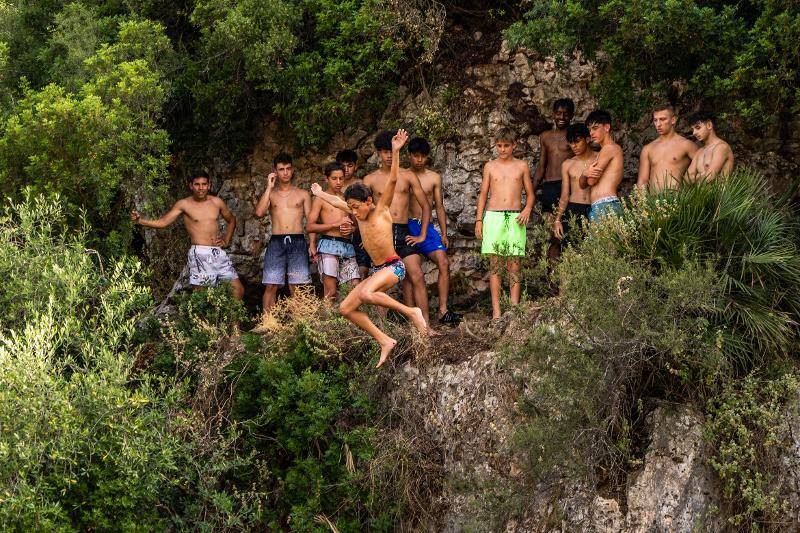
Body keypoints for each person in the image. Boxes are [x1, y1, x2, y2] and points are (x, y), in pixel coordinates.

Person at [311, 129, 429, 368]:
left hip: (394, 267)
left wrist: (396, 152)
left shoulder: (381, 209)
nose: (353, 213)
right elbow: (337, 201)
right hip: (378, 270)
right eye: (350, 208)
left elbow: (393, 180)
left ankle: (413, 311)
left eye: (356, 207)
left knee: (365, 294)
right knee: (346, 308)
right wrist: (321, 193)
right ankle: (384, 340)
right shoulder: (358, 213)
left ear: (368, 202)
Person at [131, 171, 244, 300]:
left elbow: (232, 220)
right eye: (197, 184)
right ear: (191, 186)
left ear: (209, 185)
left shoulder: (216, 202)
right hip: (199, 253)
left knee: (238, 290)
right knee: (202, 296)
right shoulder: (184, 204)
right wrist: (140, 220)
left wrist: (226, 239)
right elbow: (163, 222)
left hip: (218, 252)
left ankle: (233, 321)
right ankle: (200, 320)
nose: (201, 188)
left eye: (204, 184)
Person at [364, 131, 433, 325]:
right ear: (378, 153)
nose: (388, 155)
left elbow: (426, 206)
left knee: (417, 274)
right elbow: (361, 211)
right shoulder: (369, 180)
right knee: (380, 282)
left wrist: (422, 235)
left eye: (391, 151)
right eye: (384, 151)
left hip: (403, 231)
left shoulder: (408, 176)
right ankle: (382, 327)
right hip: (382, 233)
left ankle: (425, 325)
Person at [475, 128, 534, 320]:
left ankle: (514, 308)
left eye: (506, 145)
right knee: (495, 266)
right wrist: (478, 220)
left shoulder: (522, 166)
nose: (502, 149)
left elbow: (531, 194)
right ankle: (497, 311)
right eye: (499, 145)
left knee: (514, 265)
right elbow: (483, 194)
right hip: (493, 216)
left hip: (516, 217)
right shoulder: (490, 167)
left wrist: (527, 209)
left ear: (514, 145)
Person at [405, 136, 462, 326]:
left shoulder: (433, 177)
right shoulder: (403, 175)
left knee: (444, 262)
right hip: (407, 225)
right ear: (409, 156)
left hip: (427, 227)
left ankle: (443, 310)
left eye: (423, 156)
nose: (419, 160)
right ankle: (413, 317)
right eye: (416, 156)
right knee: (410, 272)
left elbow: (439, 207)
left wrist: (444, 233)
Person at [254, 152, 313, 313]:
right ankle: (268, 324)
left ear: (292, 170)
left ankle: (300, 324)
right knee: (271, 284)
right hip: (276, 241)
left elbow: (311, 222)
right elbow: (259, 213)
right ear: (275, 171)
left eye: (288, 169)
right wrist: (268, 187)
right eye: (281, 169)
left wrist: (312, 244)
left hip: (298, 240)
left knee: (297, 284)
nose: (285, 173)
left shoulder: (302, 194)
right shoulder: (271, 194)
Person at [307, 162, 360, 302]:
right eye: (334, 178)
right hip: (328, 245)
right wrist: (335, 224)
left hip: (348, 246)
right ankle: (326, 323)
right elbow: (310, 227)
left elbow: (359, 225)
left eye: (341, 178)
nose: (338, 182)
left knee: (354, 289)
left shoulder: (348, 199)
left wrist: (352, 229)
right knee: (330, 292)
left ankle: (349, 324)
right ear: (326, 179)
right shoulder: (320, 199)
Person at [533, 98, 575, 261]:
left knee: (567, 233)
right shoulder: (545, 137)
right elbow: (541, 166)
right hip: (549, 187)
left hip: (568, 187)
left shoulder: (574, 136)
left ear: (571, 115)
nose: (562, 117)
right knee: (552, 235)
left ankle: (566, 278)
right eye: (558, 113)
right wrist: (532, 190)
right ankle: (552, 278)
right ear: (553, 114)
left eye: (565, 114)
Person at [636, 103, 698, 193]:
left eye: (662, 119)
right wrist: (641, 205)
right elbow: (642, 181)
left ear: (673, 120)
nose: (658, 124)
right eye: (655, 120)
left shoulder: (686, 145)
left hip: (676, 201)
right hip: (653, 203)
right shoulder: (648, 148)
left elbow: (703, 170)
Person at [553, 123, 594, 246]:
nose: (574, 146)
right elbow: (564, 194)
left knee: (594, 252)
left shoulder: (599, 158)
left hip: (594, 209)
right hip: (573, 209)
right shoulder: (568, 164)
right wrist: (557, 219)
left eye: (577, 141)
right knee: (570, 251)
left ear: (587, 139)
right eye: (571, 142)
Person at [580, 110, 624, 222]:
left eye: (595, 128)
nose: (591, 133)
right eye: (590, 130)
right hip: (602, 205)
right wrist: (585, 173)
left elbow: (590, 181)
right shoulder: (604, 150)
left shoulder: (609, 148)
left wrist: (586, 174)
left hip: (606, 205)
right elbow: (583, 184)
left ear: (606, 127)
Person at [337, 148, 370, 278]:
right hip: (339, 233)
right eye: (342, 166)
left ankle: (362, 296)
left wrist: (357, 229)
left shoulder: (361, 184)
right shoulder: (335, 185)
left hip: (360, 231)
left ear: (355, 166)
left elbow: (370, 209)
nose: (346, 169)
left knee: (363, 267)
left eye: (349, 166)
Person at [687, 111, 734, 180]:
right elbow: (686, 179)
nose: (694, 133)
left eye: (698, 127)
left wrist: (696, 176)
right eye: (693, 129)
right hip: (700, 191)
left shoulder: (721, 147)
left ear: (709, 125)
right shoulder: (699, 152)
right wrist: (703, 175)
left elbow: (710, 178)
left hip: (719, 191)